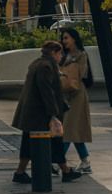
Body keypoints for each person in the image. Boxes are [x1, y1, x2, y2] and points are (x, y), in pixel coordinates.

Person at [11, 40, 81, 184]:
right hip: (40, 113)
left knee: (28, 143)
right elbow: (47, 91)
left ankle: (20, 172)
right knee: (55, 141)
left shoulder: (37, 63)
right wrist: (53, 113)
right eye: (60, 53)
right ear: (54, 53)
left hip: (31, 112)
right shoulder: (47, 66)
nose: (61, 56)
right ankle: (65, 171)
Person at [58, 28, 93, 174]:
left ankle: (56, 160)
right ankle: (85, 161)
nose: (64, 41)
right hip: (66, 93)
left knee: (67, 129)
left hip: (77, 94)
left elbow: (81, 74)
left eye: (66, 38)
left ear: (74, 39)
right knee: (74, 129)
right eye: (63, 38)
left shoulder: (81, 55)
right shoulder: (63, 55)